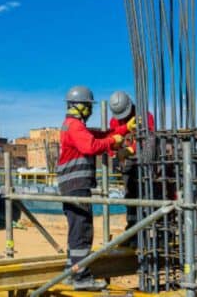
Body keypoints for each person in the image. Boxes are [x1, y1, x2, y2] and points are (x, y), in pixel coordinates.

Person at [57, 86, 132, 291]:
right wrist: (112, 141)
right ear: (79, 106)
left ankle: (71, 271)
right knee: (82, 229)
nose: (90, 110)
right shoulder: (74, 126)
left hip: (73, 185)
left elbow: (102, 134)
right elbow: (90, 146)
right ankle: (80, 277)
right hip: (76, 185)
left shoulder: (74, 125)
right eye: (88, 106)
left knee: (77, 228)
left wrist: (124, 130)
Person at [108, 91, 155, 243]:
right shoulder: (114, 121)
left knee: (147, 196)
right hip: (127, 165)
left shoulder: (144, 116)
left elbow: (149, 139)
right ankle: (132, 230)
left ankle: (147, 232)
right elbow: (111, 139)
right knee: (130, 197)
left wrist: (130, 149)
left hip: (144, 163)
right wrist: (115, 151)